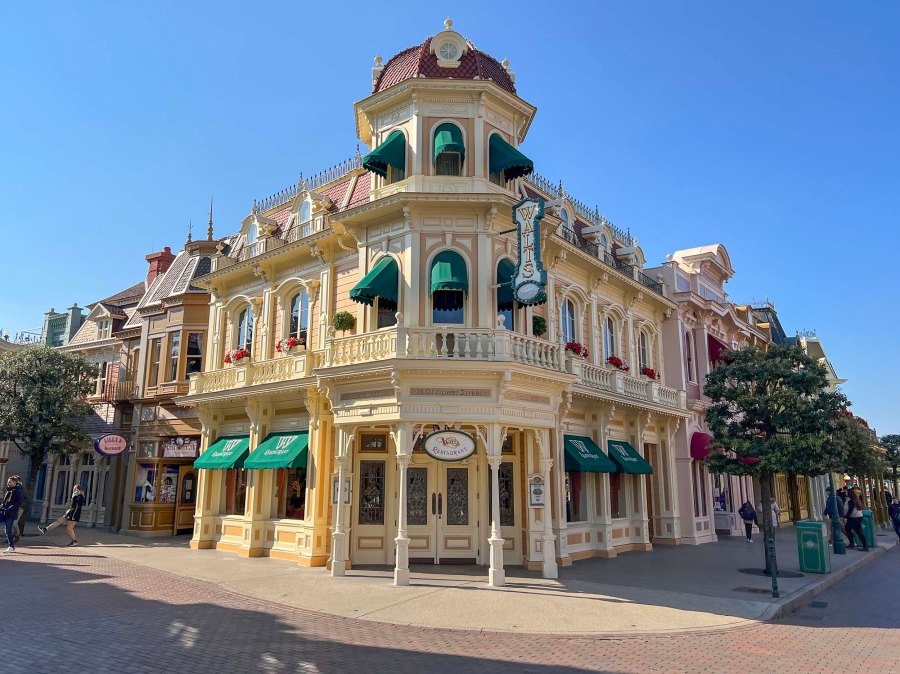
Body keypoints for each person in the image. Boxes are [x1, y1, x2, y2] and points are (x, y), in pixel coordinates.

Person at [1, 475, 25, 553]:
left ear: (14, 482)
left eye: (9, 482)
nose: (8, 483)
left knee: (8, 529)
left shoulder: (17, 491)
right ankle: (11, 546)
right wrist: (2, 506)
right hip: (5, 512)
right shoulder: (10, 490)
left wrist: (10, 508)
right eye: (8, 482)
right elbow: (6, 502)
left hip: (11, 513)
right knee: (7, 529)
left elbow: (19, 502)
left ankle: (11, 546)